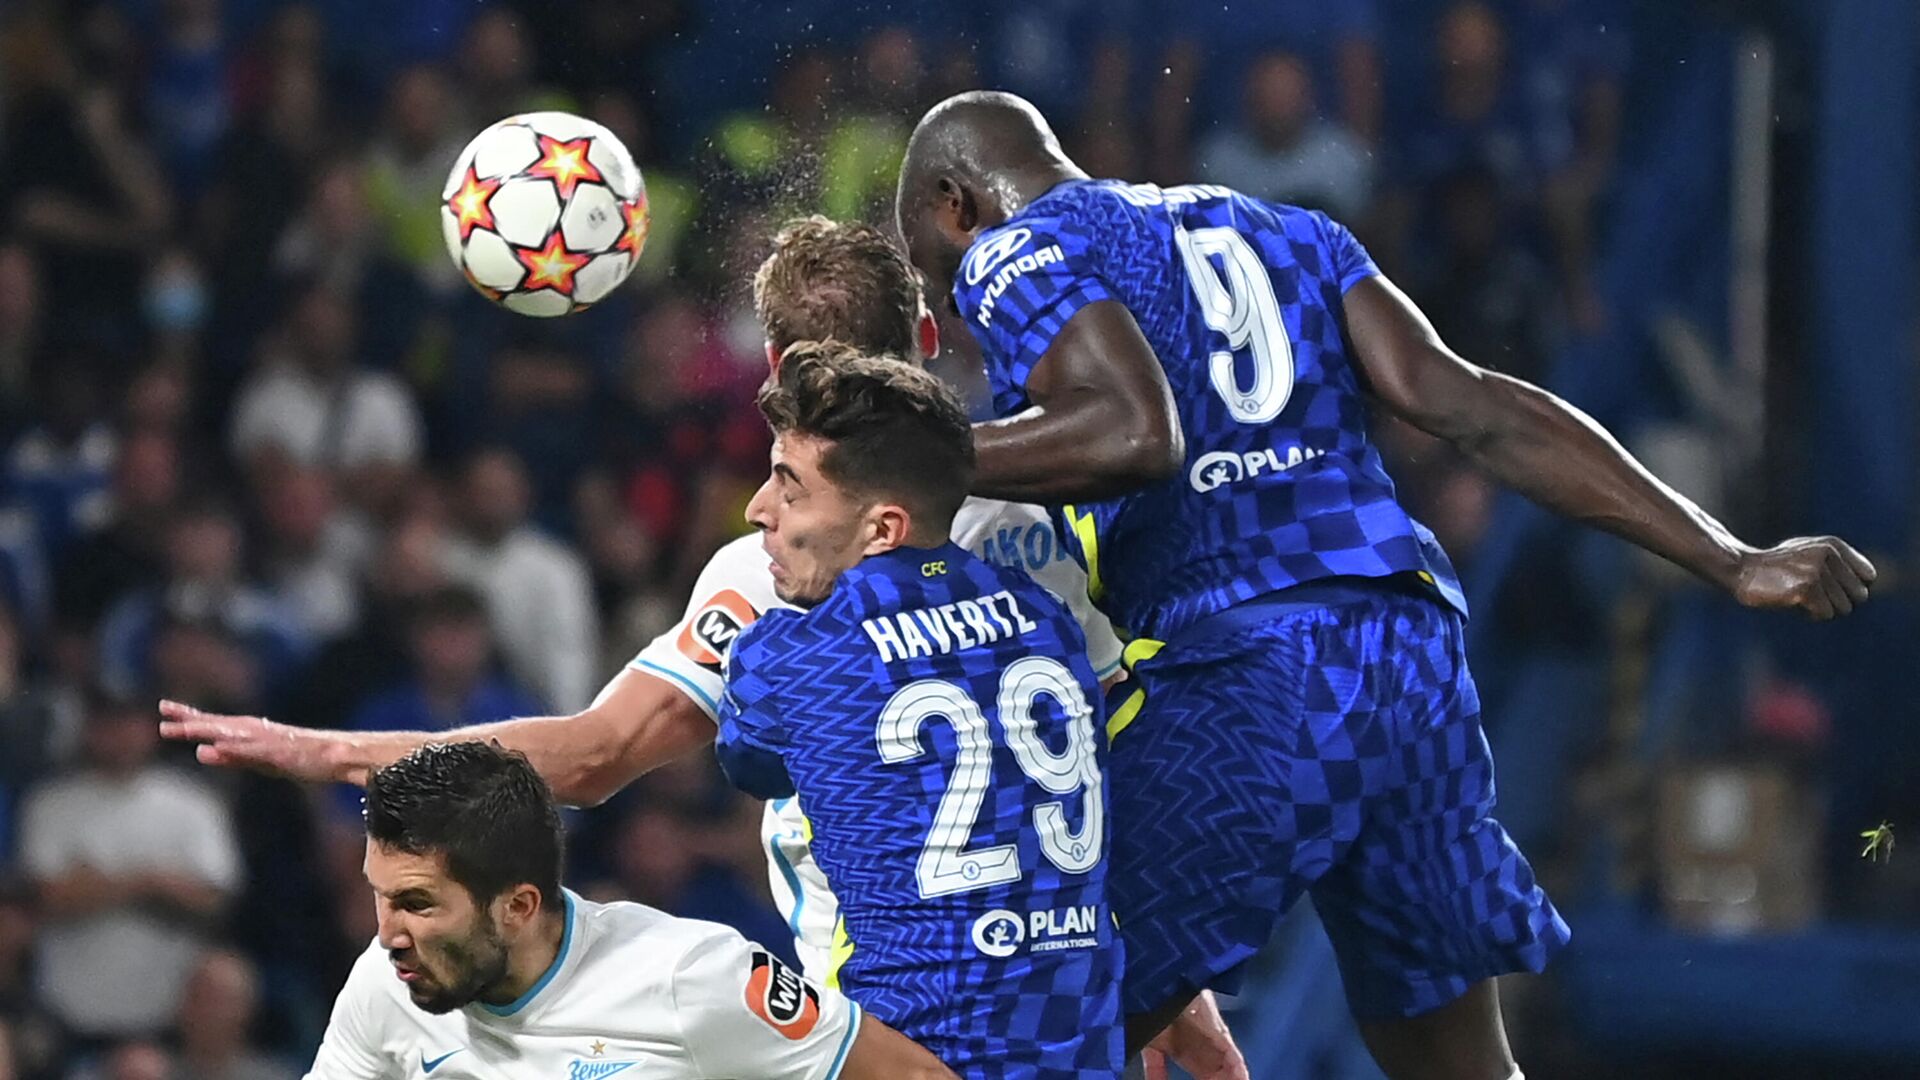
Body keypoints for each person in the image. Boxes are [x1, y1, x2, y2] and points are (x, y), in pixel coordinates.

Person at [893, 90, 1877, 1080]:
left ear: (956, 205)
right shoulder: (1281, 230)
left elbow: (1133, 434)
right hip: (1409, 661)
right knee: (1461, 1066)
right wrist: (1730, 555)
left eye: (943, 291)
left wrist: (906, 454)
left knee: (1021, 1041)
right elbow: (1476, 408)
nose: (963, 322)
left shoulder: (1016, 250)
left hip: (1251, 673)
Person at [160, 216, 1244, 1077]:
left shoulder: (775, 578)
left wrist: (335, 752)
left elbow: (592, 758)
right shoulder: (1042, 550)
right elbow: (1113, 776)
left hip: (880, 1018)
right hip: (1066, 996)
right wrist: (1168, 980)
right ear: (926, 343)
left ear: (774, 362)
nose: (770, 504)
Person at [717, 342, 1118, 1076]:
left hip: (914, 1049)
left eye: (790, 488)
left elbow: (753, 764)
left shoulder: (786, 655)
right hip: (1080, 1049)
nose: (758, 510)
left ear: (882, 529)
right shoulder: (1049, 618)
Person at [303, 739, 954, 1079]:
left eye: (417, 904)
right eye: (380, 896)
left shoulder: (693, 977)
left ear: (518, 907)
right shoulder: (387, 987)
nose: (387, 935)